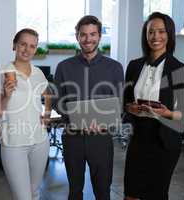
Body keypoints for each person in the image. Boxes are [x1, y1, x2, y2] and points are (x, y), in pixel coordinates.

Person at [53, 15, 124, 200]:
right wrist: (77, 118)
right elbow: (56, 101)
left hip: (101, 138)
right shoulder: (63, 67)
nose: (88, 39)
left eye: (92, 34)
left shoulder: (114, 68)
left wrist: (104, 122)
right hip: (72, 138)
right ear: (77, 36)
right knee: (75, 190)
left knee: (103, 191)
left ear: (99, 36)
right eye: (83, 34)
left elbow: (119, 103)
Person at [123, 12, 184, 200]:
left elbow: (181, 116)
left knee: (156, 195)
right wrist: (130, 109)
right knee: (131, 193)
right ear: (145, 35)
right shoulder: (134, 66)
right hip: (138, 138)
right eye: (151, 32)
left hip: (164, 141)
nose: (155, 37)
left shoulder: (177, 68)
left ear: (169, 35)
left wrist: (166, 112)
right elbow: (125, 103)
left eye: (161, 31)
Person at [0, 28, 52, 200]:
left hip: (40, 140)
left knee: (34, 192)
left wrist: (47, 113)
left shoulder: (38, 73)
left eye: (32, 46)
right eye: (23, 44)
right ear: (14, 45)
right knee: (23, 197)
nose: (27, 49)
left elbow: (47, 94)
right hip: (14, 143)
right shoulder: (1, 75)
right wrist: (6, 95)